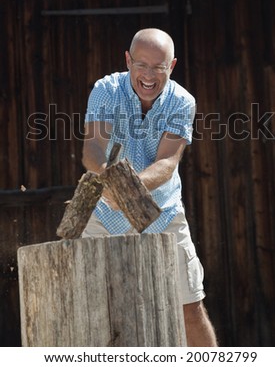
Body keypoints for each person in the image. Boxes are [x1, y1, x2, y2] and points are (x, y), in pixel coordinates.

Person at [81, 27, 217, 347]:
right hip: (104, 212)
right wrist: (111, 187)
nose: (149, 75)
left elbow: (167, 164)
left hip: (163, 212)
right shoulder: (105, 90)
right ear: (128, 60)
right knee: (92, 308)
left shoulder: (182, 101)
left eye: (159, 67)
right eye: (141, 64)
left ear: (171, 67)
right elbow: (92, 152)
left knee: (189, 307)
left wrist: (129, 190)